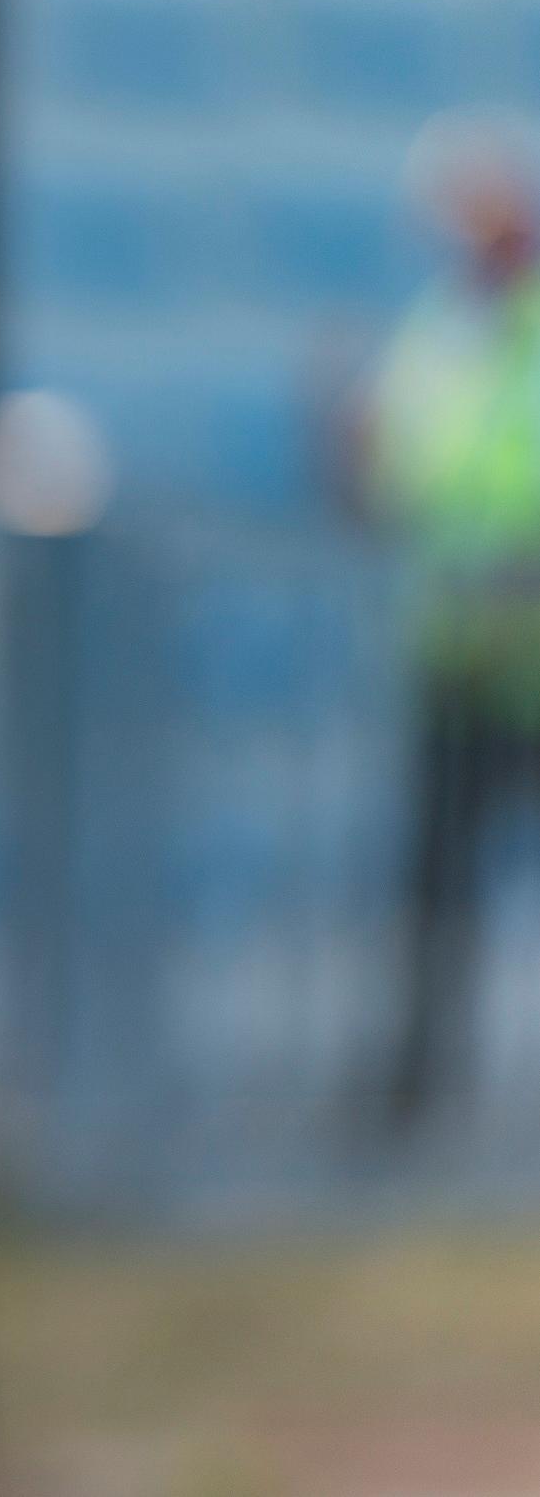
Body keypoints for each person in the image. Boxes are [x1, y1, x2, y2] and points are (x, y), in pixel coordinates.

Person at [362, 111, 540, 1127]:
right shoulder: (435, 334)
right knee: (434, 888)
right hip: (455, 658)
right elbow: (402, 474)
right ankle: (417, 1085)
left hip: (531, 660)